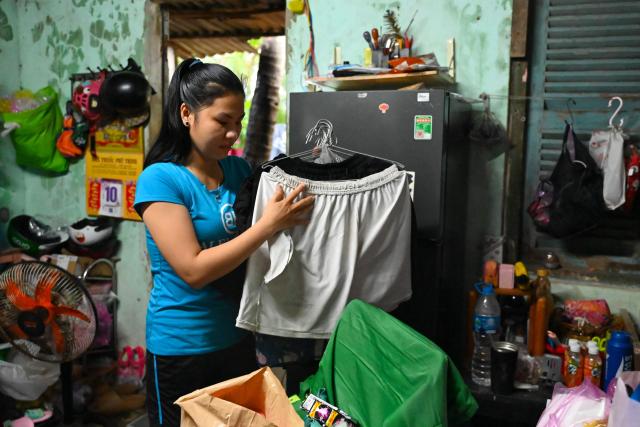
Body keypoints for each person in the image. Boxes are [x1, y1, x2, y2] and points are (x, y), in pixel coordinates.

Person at [133, 58, 314, 427]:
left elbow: (259, 249)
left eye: (238, 122)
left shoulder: (238, 171)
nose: (234, 134)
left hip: (236, 337)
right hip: (180, 345)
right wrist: (266, 226)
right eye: (222, 121)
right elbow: (193, 269)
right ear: (187, 114)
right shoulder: (161, 179)